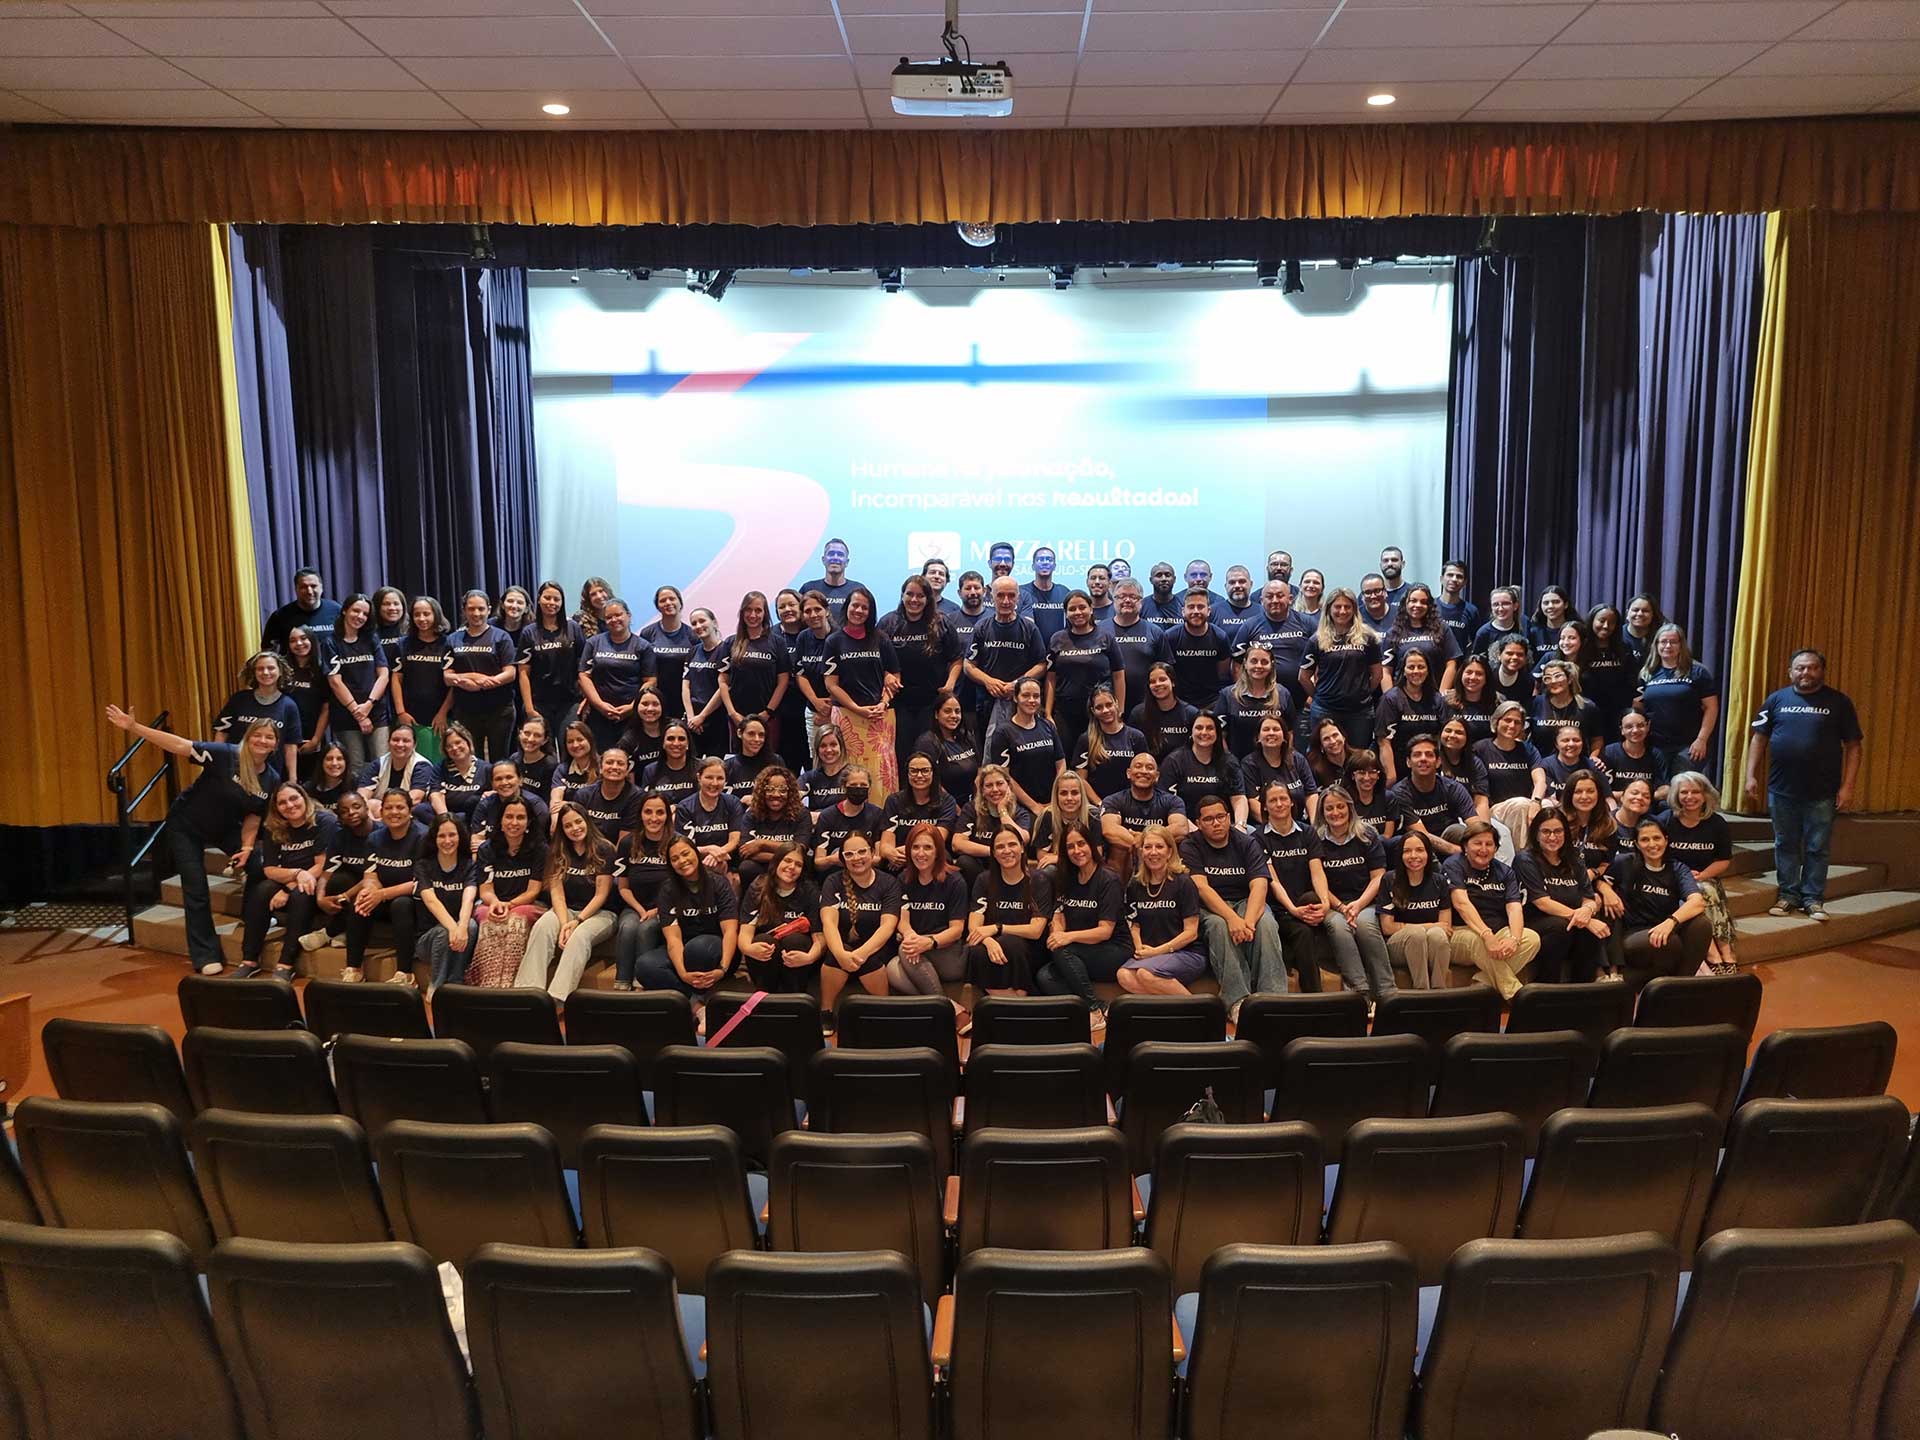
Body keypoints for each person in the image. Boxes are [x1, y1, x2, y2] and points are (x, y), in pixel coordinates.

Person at [108, 707, 281, 975]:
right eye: (257, 735)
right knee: (196, 887)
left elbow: (254, 815)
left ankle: (253, 916)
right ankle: (205, 954)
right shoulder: (225, 754)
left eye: (269, 737)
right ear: (248, 737)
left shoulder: (272, 778)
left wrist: (247, 847)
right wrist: (134, 727)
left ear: (275, 745)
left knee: (258, 865)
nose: (262, 741)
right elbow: (180, 745)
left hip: (224, 827)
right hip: (185, 825)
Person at [1746, 647, 1863, 921]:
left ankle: (1813, 899)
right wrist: (1750, 775)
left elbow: (1854, 746)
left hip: (1823, 792)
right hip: (1781, 789)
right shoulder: (1776, 700)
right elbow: (1759, 738)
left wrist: (1847, 786)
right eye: (1800, 668)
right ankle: (1788, 895)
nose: (1806, 672)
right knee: (1785, 844)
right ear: (1791, 672)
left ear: (1822, 670)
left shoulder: (1839, 702)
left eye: (1812, 667)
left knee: (1817, 847)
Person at [1180, 794, 1289, 1017]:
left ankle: (1274, 998)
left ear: (1229, 818)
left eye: (1220, 817)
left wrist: (1247, 922)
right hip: (1209, 906)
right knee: (1219, 927)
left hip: (1245, 901)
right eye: (1208, 819)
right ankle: (1237, 1001)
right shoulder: (1190, 845)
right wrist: (1232, 919)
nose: (1216, 823)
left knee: (1266, 924)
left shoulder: (1247, 842)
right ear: (1198, 823)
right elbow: (1201, 888)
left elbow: (1260, 884)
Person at [634, 834, 740, 1027]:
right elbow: (673, 939)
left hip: (717, 950)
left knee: (697, 948)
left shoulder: (718, 883)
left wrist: (723, 968)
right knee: (645, 965)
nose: (682, 861)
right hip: (684, 948)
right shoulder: (667, 890)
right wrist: (683, 973)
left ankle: (694, 1002)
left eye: (685, 854)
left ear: (696, 854)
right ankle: (697, 1006)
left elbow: (730, 931)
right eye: (675, 859)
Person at [234, 780, 333, 981]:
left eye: (294, 798)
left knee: (300, 895)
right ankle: (249, 961)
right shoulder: (273, 827)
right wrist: (295, 876)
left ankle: (286, 963)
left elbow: (322, 865)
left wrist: (289, 889)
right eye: (282, 802)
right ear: (276, 807)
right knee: (261, 890)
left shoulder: (324, 820)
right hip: (291, 877)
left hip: (319, 879)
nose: (289, 805)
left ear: (304, 797)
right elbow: (269, 869)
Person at [1037, 821, 1127, 1028]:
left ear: (1091, 845)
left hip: (1113, 949)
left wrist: (1066, 937)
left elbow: (1105, 931)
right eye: (1070, 847)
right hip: (1081, 950)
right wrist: (1057, 933)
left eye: (1081, 844)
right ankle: (1100, 1006)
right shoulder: (1066, 877)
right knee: (1045, 977)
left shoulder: (1108, 879)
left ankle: (1093, 1010)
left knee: (1063, 950)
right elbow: (1058, 913)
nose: (1077, 851)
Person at [1311, 784, 1394, 1005]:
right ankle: (1360, 994)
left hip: (1365, 901)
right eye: (1329, 808)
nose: (1335, 812)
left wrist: (1357, 905)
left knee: (1366, 925)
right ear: (1322, 812)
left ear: (1350, 808)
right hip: (1332, 904)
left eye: (1340, 806)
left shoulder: (1367, 834)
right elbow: (1317, 879)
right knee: (1339, 926)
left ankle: (1387, 992)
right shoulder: (1315, 838)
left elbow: (1378, 876)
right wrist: (1340, 906)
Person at [1442, 818, 1540, 1000]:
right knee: (1478, 941)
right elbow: (1461, 904)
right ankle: (1516, 995)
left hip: (1496, 931)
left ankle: (1482, 982)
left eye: (1489, 844)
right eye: (1477, 843)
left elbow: (1514, 908)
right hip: (1460, 932)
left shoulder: (1505, 871)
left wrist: (1514, 938)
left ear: (1496, 848)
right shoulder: (1453, 865)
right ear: (1465, 846)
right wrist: (1486, 935)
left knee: (1531, 939)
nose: (1483, 849)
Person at [1606, 818, 1710, 988]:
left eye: (1657, 838)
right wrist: (1606, 891)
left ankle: (1680, 985)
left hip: (1665, 927)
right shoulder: (1624, 862)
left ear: (1666, 840)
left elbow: (1697, 902)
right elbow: (1600, 882)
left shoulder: (1677, 868)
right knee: (1671, 942)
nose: (1652, 844)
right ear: (1637, 844)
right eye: (1645, 840)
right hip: (1633, 933)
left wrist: (1671, 922)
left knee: (1702, 924)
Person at [1513, 807, 1610, 984]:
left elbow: (1589, 898)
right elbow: (1542, 902)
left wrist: (1587, 911)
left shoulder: (1574, 858)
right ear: (1536, 834)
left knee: (1589, 930)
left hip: (1570, 920)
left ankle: (1582, 989)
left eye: (1558, 831)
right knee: (1562, 927)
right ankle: (1548, 988)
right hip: (1536, 920)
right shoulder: (1525, 859)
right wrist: (1585, 920)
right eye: (1546, 831)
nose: (1552, 837)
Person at [341, 789, 427, 986]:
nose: (394, 812)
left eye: (400, 807)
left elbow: (420, 882)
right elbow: (370, 875)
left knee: (401, 904)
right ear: (381, 811)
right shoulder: (374, 838)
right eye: (388, 808)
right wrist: (369, 891)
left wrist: (381, 894)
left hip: (414, 900)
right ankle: (353, 968)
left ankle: (405, 973)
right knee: (360, 901)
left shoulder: (422, 837)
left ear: (410, 811)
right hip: (384, 896)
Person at [823, 585, 901, 794]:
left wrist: (884, 703)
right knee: (848, 771)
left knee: (881, 773)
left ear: (870, 611)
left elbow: (894, 675)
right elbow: (831, 684)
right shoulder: (833, 641)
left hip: (879, 716)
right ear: (847, 607)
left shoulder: (881, 638)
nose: (858, 611)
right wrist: (857, 708)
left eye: (864, 607)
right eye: (855, 605)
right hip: (847, 716)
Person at [818, 830, 901, 1024]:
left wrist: (860, 954)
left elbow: (887, 926)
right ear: (843, 859)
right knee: (835, 955)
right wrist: (841, 954)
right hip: (842, 949)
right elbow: (829, 922)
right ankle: (826, 1012)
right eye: (849, 854)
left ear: (872, 852)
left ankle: (883, 1012)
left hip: (877, 950)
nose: (856, 858)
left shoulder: (889, 883)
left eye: (862, 851)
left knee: (870, 958)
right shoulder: (833, 881)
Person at [1659, 771, 1738, 972]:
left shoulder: (1717, 823)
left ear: (1705, 795)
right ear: (1676, 795)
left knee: (1705, 889)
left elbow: (1723, 860)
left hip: (1705, 876)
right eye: (1684, 792)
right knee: (1701, 892)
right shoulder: (1666, 820)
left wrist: (1701, 875)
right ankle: (1714, 954)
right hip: (1672, 878)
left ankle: (1725, 952)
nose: (1689, 797)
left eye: (1695, 792)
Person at [1257, 780, 1331, 991]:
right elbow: (1273, 881)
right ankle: (1315, 997)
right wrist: (1292, 910)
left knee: (1310, 906)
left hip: (1307, 905)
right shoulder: (1258, 838)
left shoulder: (1307, 833)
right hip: (1280, 909)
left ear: (1291, 802)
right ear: (1265, 806)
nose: (1279, 804)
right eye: (1273, 800)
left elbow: (1317, 872)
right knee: (1303, 933)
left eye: (1283, 798)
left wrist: (1325, 903)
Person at [883, 575, 960, 776]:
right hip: (899, 704)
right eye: (910, 594)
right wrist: (887, 675)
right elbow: (876, 659)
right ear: (902, 595)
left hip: (931, 703)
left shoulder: (941, 622)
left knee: (930, 755)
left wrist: (950, 684)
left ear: (928, 599)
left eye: (920, 595)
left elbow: (957, 658)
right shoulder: (888, 623)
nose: (914, 600)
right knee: (901, 756)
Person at [1119, 824, 1209, 996]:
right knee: (1124, 975)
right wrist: (1140, 949)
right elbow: (1135, 924)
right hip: (1152, 954)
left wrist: (1156, 952)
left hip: (1186, 953)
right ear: (1141, 852)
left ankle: (1198, 1008)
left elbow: (1191, 933)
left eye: (1159, 847)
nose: (1153, 852)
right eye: (1148, 847)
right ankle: (1167, 1009)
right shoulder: (1135, 885)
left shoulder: (1183, 882)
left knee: (1146, 974)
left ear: (1169, 852)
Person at [469, 795, 546, 988]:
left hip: (528, 904)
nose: (514, 822)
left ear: (528, 822)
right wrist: (496, 903)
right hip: (491, 903)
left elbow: (533, 890)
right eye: (509, 817)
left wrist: (509, 905)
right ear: (501, 821)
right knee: (490, 920)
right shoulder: (487, 849)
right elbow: (485, 889)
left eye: (520, 817)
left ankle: (509, 986)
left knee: (515, 921)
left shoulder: (539, 849)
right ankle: (487, 985)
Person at [888, 824, 970, 1004]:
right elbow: (903, 919)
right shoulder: (903, 879)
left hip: (947, 951)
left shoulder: (955, 881)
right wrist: (910, 935)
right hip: (917, 951)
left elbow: (956, 930)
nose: (921, 853)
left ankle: (942, 1008)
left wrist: (929, 942)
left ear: (938, 851)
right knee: (892, 969)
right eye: (915, 847)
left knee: (904, 950)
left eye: (927, 847)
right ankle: (948, 1007)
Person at [966, 825, 1050, 1001]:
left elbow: (1035, 931)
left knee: (1010, 943)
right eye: (1000, 847)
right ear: (993, 853)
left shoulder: (1039, 880)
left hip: (1029, 949)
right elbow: (974, 926)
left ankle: (1012, 1000)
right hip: (994, 947)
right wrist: (988, 940)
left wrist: (997, 928)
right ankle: (1018, 1002)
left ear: (1022, 848)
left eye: (1012, 844)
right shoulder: (984, 880)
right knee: (976, 950)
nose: (1006, 851)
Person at [1301, 587, 1387, 751]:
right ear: (1329, 609)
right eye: (1337, 607)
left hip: (1359, 712)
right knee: (1321, 755)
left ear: (1354, 609)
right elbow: (1303, 677)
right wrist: (1319, 697)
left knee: (1359, 757)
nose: (1342, 611)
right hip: (1325, 709)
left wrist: (1362, 692)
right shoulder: (1317, 640)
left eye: (1347, 607)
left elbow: (1377, 675)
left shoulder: (1368, 637)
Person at [966, 576, 1047, 742]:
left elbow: (1042, 664)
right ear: (991, 597)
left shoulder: (1029, 628)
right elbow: (968, 665)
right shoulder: (981, 627)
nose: (1005, 601)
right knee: (989, 749)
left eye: (1011, 595)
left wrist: (1018, 684)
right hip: (987, 703)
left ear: (1018, 598)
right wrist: (988, 681)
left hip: (1021, 703)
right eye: (1000, 595)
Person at [737, 843, 824, 994]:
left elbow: (820, 937)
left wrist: (810, 957)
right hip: (767, 957)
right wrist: (748, 949)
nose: (792, 867)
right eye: (787, 861)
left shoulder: (810, 891)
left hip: (799, 955)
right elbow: (745, 932)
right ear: (776, 862)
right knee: (763, 940)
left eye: (798, 864)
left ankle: (794, 996)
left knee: (795, 940)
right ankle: (764, 996)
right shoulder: (758, 887)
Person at [443, 589, 520, 761]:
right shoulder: (453, 639)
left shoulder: (502, 637)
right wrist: (473, 678)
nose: (476, 613)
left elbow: (510, 673)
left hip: (499, 710)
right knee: (471, 759)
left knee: (500, 759)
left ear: (489, 610)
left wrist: (485, 684)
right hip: (466, 710)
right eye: (471, 609)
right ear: (464, 610)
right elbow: (447, 677)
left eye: (481, 609)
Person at [609, 792, 675, 991]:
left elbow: (682, 887)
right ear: (640, 814)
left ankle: (642, 984)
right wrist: (640, 910)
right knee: (628, 928)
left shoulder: (676, 843)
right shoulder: (628, 843)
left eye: (660, 812)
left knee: (645, 929)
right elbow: (623, 886)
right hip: (635, 906)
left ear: (667, 815)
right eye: (648, 812)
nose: (654, 818)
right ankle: (622, 985)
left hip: (667, 908)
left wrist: (656, 910)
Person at [576, 597, 657, 753]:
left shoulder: (643, 646)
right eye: (609, 617)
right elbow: (584, 676)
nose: (614, 620)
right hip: (599, 715)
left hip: (631, 715)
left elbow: (650, 681)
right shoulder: (593, 643)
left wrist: (632, 707)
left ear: (628, 615)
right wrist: (599, 705)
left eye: (618, 615)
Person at [717, 590, 791, 758]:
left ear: (765, 613)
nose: (753, 615)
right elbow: (723, 680)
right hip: (737, 717)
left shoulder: (777, 642)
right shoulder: (730, 642)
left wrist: (768, 712)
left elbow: (783, 681)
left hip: (768, 718)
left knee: (768, 761)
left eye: (758, 610)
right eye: (748, 610)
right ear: (742, 612)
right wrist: (733, 713)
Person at [1378, 828, 1454, 990]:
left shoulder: (1439, 881)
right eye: (1407, 851)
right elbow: (1387, 927)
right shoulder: (1389, 879)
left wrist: (1432, 928)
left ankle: (1439, 992)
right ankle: (1422, 992)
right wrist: (1428, 926)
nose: (1413, 856)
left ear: (1428, 854)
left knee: (1438, 935)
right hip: (1398, 944)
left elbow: (1445, 927)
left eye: (1419, 850)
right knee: (1416, 934)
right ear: (1400, 855)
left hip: (1430, 940)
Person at [411, 814, 478, 997]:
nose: (447, 841)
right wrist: (454, 928)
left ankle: (456, 983)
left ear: (460, 837)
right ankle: (436, 987)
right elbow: (431, 901)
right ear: (434, 838)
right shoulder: (423, 866)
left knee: (471, 925)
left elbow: (468, 899)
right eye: (442, 836)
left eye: (452, 835)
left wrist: (462, 927)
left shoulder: (469, 865)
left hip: (458, 935)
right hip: (427, 940)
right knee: (443, 931)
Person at [1637, 623, 1720, 770]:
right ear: (1656, 645)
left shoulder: (1698, 672)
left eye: (1673, 642)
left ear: (1681, 645)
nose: (1668, 646)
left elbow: (1711, 708)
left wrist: (1702, 739)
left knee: (1681, 783)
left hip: (1688, 745)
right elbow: (1639, 708)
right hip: (1655, 745)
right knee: (1659, 784)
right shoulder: (1647, 673)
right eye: (1663, 642)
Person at [213, 650, 303, 781]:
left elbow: (290, 746)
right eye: (260, 669)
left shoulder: (289, 706)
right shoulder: (239, 699)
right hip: (235, 770)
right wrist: (217, 763)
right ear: (254, 673)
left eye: (271, 668)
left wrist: (292, 779)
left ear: (280, 671)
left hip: (269, 776)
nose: (265, 672)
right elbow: (222, 733)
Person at [1046, 590, 1122, 743]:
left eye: (1082, 607)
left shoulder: (1106, 637)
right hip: (1065, 713)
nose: (1078, 612)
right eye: (1072, 609)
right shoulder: (1057, 639)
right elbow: (1050, 678)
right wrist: (1048, 713)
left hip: (1099, 712)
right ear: (1066, 613)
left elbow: (1119, 675)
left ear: (1091, 609)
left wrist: (1119, 709)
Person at [325, 593, 391, 770]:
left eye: (365, 614)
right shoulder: (331, 642)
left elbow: (384, 675)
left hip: (376, 712)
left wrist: (369, 704)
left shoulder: (371, 639)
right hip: (346, 716)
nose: (360, 616)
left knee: (382, 764)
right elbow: (335, 681)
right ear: (345, 611)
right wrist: (358, 713)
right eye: (356, 611)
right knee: (354, 767)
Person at [307, 789, 375, 955]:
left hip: (374, 886)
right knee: (337, 880)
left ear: (366, 808)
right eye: (344, 811)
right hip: (350, 885)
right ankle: (344, 929)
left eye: (356, 807)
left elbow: (372, 878)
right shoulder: (340, 836)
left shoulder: (380, 834)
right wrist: (320, 898)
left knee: (364, 892)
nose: (351, 813)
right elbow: (327, 872)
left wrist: (344, 896)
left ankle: (330, 931)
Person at [1232, 579, 1314, 717]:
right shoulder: (1249, 626)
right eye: (1269, 596)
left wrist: (1313, 695)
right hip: (1262, 704)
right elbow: (1237, 664)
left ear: (1290, 599)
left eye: (1280, 596)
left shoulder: (1308, 623)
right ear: (1261, 600)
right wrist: (1244, 694)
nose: (1274, 600)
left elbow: (1321, 662)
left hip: (1303, 702)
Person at [1385, 734, 1474, 859]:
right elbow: (1422, 835)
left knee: (1461, 831)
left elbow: (1475, 823)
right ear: (1408, 762)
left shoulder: (1453, 788)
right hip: (1419, 850)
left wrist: (1478, 846)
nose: (1423, 759)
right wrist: (1462, 852)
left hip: (1448, 838)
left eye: (1429, 755)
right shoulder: (1399, 793)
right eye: (1417, 755)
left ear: (1438, 762)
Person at [387, 596, 452, 765]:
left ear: (436, 614)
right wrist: (401, 712)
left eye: (426, 614)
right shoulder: (402, 644)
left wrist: (443, 713)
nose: (422, 619)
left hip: (441, 717)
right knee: (415, 765)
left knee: (440, 764)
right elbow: (396, 679)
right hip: (411, 716)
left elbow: (454, 684)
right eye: (417, 614)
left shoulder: (448, 643)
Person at [986, 675, 1064, 814]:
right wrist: (1033, 806)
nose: (1032, 700)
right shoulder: (1003, 732)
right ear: (1016, 698)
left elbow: (1061, 764)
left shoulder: (1048, 726)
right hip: (1021, 807)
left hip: (1052, 803)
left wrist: (1055, 798)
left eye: (1036, 696)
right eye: (1026, 695)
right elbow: (1004, 776)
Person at [1099, 751, 1189, 871]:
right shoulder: (1113, 800)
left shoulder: (1172, 801)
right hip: (1128, 859)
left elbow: (1181, 829)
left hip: (1160, 857)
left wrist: (1144, 841)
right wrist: (1145, 843)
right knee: (1118, 847)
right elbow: (1109, 830)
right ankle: (1118, 884)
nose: (1144, 771)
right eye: (1138, 766)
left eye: (1150, 768)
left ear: (1157, 776)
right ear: (1128, 773)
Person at [1374, 647, 1450, 786]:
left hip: (1428, 765)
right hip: (1399, 766)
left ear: (1428, 670)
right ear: (1403, 670)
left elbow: (1443, 736)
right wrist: (1391, 776)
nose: (1416, 671)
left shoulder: (1437, 699)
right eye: (1411, 667)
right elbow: (1383, 741)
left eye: (1421, 667)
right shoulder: (1391, 699)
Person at [519, 581, 585, 740]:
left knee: (569, 745)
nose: (552, 603)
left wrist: (586, 699)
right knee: (541, 748)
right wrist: (529, 709)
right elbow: (523, 673)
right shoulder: (529, 632)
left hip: (570, 702)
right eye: (547, 598)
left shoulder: (573, 628)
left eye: (556, 599)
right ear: (539, 599)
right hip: (539, 703)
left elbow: (583, 668)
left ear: (562, 602)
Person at [1160, 710, 1247, 827]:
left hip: (1223, 826)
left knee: (1250, 832)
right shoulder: (1174, 761)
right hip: (1187, 827)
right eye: (1199, 728)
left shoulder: (1229, 762)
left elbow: (1239, 798)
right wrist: (1194, 831)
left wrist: (1240, 825)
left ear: (1217, 733)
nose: (1204, 732)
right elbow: (1168, 803)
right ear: (1191, 731)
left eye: (1210, 728)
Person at [1472, 700, 1547, 836]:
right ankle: (1522, 850)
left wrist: (1536, 802)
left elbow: (1540, 780)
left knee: (1549, 806)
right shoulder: (1480, 749)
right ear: (1496, 721)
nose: (1512, 726)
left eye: (1517, 722)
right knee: (1521, 805)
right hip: (1495, 809)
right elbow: (1479, 793)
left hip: (1527, 804)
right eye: (1507, 720)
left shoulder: (1528, 749)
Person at [953, 764, 1034, 886]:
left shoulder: (1020, 813)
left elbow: (1023, 839)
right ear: (982, 790)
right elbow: (957, 844)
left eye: (999, 784)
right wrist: (994, 851)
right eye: (989, 785)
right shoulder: (971, 809)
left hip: (1009, 865)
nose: (995, 789)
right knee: (964, 861)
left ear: (1008, 786)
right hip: (980, 866)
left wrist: (1002, 810)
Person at [1099, 577, 1170, 714]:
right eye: (1121, 596)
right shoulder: (1100, 631)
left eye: (1133, 597)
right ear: (1114, 600)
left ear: (1141, 602)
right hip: (1106, 706)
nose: (1127, 600)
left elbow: (1166, 670)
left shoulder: (1155, 632)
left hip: (1146, 706)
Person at [881, 751, 961, 869]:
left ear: (933, 773)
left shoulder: (947, 801)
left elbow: (937, 839)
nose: (919, 775)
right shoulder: (894, 801)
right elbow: (885, 846)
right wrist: (892, 854)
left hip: (930, 856)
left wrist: (910, 852)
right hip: (900, 859)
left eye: (925, 770)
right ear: (907, 774)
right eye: (913, 771)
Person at [737, 765, 810, 892]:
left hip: (792, 867)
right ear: (761, 792)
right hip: (761, 867)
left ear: (790, 792)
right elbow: (745, 852)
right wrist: (785, 856)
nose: (776, 795)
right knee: (746, 867)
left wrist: (762, 844)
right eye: (770, 789)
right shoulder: (752, 815)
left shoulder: (801, 814)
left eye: (782, 790)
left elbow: (800, 849)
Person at [1216, 642, 1293, 760]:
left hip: (1274, 764)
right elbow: (1221, 736)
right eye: (1253, 661)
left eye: (1264, 662)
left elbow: (1289, 734)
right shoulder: (1227, 695)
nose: (1259, 666)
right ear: (1245, 664)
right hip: (1238, 764)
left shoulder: (1283, 694)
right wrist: (1230, 764)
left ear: (1271, 665)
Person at [1071, 686, 1148, 802]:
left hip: (1131, 804)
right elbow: (1081, 779)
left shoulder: (1136, 737)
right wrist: (1100, 804)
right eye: (1099, 707)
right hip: (1098, 805)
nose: (1105, 710)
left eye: (1109, 705)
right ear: (1093, 711)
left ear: (1116, 703)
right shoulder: (1086, 740)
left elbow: (1144, 775)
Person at [1385, 583, 1461, 695]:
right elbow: (1386, 670)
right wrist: (1390, 698)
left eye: (1423, 602)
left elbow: (1451, 664)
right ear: (1405, 603)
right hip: (1402, 698)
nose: (1418, 605)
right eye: (1413, 601)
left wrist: (1441, 695)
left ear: (1429, 605)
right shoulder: (1393, 633)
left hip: (1434, 696)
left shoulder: (1442, 628)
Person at [1244, 713, 1317, 826]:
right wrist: (1279, 827)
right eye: (1266, 729)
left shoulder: (1298, 759)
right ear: (1258, 737)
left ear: (1284, 736)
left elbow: (1311, 794)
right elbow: (1253, 802)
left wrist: (1315, 824)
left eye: (1276, 729)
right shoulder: (1249, 764)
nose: (1271, 733)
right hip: (1266, 826)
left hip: (1299, 824)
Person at [810, 766, 887, 873]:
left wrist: (855, 859)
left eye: (863, 785)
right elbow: (818, 862)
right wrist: (833, 859)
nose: (858, 789)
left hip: (867, 873)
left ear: (869, 789)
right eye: (853, 785)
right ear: (844, 787)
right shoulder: (827, 816)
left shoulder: (877, 814)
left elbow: (879, 860)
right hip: (835, 874)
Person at [677, 756, 746, 874]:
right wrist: (709, 849)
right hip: (696, 861)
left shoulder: (733, 802)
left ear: (725, 781)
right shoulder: (685, 807)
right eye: (709, 777)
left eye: (720, 778)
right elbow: (685, 846)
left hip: (727, 860)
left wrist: (718, 854)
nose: (714, 783)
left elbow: (734, 840)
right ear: (699, 778)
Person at [790, 589, 837, 762]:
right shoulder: (803, 638)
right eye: (808, 611)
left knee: (841, 758)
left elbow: (847, 677)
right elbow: (800, 673)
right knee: (818, 759)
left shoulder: (839, 637)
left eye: (817, 609)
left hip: (839, 709)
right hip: (813, 710)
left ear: (827, 611)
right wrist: (816, 702)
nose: (813, 614)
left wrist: (829, 709)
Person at [1166, 588, 1233, 707]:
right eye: (1191, 607)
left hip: (1212, 702)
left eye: (1200, 607)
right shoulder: (1170, 637)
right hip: (1179, 702)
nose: (1196, 611)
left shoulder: (1220, 637)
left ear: (1208, 611)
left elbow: (1222, 674)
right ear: (1183, 611)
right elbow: (1168, 673)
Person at [944, 571, 992, 733]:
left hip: (988, 694)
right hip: (958, 694)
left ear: (984, 591)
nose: (973, 592)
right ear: (959, 593)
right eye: (968, 588)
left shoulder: (994, 619)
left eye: (976, 588)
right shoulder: (949, 621)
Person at [916, 690, 981, 808]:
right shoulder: (927, 742)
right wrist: (957, 811)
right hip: (943, 806)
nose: (954, 716)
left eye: (957, 711)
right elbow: (932, 782)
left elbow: (979, 771)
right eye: (947, 711)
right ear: (936, 714)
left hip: (971, 804)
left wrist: (975, 806)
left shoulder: (967, 736)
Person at [280, 626, 333, 771]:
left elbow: (326, 708)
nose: (299, 644)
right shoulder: (281, 669)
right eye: (293, 640)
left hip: (311, 737)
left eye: (303, 638)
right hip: (284, 737)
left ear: (312, 640)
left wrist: (316, 740)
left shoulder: (322, 670)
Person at [640, 584, 694, 721]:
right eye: (663, 600)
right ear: (658, 606)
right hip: (656, 701)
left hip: (684, 699)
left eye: (672, 599)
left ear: (680, 603)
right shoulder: (647, 633)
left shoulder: (693, 635)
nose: (668, 603)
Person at [772, 588, 813, 773]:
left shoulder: (813, 633)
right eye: (782, 607)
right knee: (787, 770)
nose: (787, 609)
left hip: (811, 710)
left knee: (814, 766)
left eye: (791, 605)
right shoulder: (770, 635)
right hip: (782, 714)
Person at [1030, 769, 1101, 872]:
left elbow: (1098, 854)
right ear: (1056, 796)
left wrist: (1060, 858)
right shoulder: (1048, 816)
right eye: (1063, 793)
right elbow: (1041, 855)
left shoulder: (1093, 815)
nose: (1069, 798)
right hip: (1060, 868)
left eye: (1075, 793)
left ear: (1082, 795)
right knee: (1046, 871)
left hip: (1087, 866)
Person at [572, 745, 642, 850]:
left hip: (618, 854)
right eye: (609, 762)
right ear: (600, 768)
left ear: (627, 770)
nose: (614, 767)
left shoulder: (636, 796)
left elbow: (624, 843)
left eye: (620, 763)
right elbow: (577, 833)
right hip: (587, 850)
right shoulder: (583, 795)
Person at [1583, 604, 1639, 734]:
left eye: (1611, 622)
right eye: (1601, 621)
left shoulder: (1624, 648)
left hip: (1617, 713)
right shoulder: (1582, 648)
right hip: (1587, 712)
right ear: (1592, 620)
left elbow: (1632, 679)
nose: (1606, 626)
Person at [682, 607, 729, 758]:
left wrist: (702, 716)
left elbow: (724, 687)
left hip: (716, 720)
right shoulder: (693, 651)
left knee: (714, 764)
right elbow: (685, 686)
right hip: (693, 721)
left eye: (702, 621)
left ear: (714, 622)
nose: (698, 626)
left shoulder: (726, 650)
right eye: (694, 623)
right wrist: (691, 718)